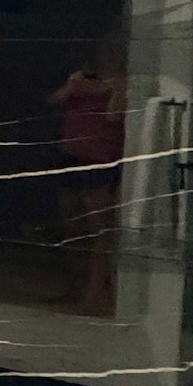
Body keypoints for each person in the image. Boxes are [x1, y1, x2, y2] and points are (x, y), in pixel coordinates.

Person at [47, 41, 126, 314]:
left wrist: (111, 90)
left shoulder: (123, 83)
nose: (104, 57)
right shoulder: (80, 78)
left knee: (98, 229)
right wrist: (73, 86)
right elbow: (54, 101)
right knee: (70, 226)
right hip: (70, 155)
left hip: (100, 159)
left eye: (111, 52)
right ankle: (74, 286)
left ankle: (93, 293)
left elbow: (115, 116)